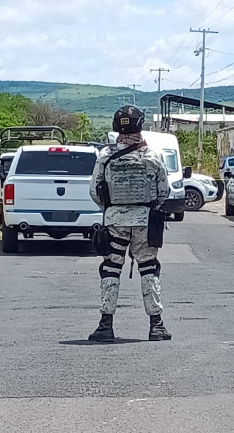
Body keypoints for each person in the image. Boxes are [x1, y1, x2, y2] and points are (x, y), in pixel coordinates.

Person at [88, 105, 171, 342]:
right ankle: (156, 325)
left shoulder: (105, 156)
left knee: (110, 270)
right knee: (149, 268)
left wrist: (112, 209)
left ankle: (106, 325)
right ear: (140, 125)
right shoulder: (152, 157)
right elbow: (163, 191)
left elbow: (94, 191)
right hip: (145, 220)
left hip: (114, 220)